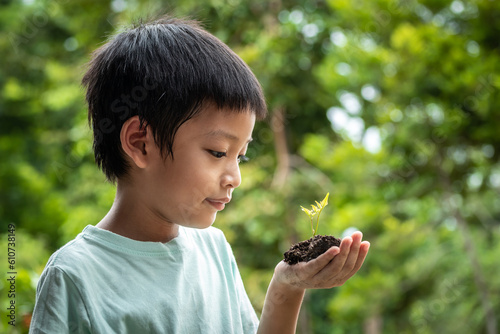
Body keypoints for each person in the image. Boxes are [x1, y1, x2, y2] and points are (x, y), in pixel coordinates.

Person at [29, 15, 370, 334]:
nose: (235, 177)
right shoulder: (74, 276)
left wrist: (287, 286)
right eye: (218, 152)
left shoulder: (214, 250)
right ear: (140, 143)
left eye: (241, 156)